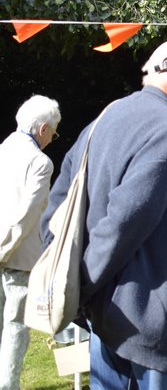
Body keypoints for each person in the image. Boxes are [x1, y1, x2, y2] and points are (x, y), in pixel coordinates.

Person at [39, 39, 167, 389]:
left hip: (105, 317)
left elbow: (57, 205)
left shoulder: (106, 117)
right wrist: (81, 286)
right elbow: (125, 221)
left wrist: (75, 287)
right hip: (148, 324)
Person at [0, 95, 61, 390]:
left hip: (8, 250)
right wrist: (3, 249)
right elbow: (28, 214)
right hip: (18, 255)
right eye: (53, 133)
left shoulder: (3, 149)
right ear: (43, 129)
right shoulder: (40, 162)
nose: (51, 140)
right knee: (15, 327)